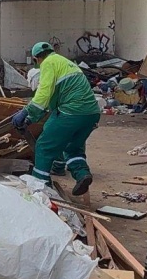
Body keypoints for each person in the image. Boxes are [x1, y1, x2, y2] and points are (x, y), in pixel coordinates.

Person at [12, 42, 101, 196]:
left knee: (44, 146)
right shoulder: (65, 62)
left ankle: (40, 188)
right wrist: (31, 118)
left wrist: (26, 111)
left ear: (35, 59)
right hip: (91, 113)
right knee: (73, 147)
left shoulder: (47, 63)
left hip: (71, 112)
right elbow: (52, 100)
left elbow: (44, 93)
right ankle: (82, 175)